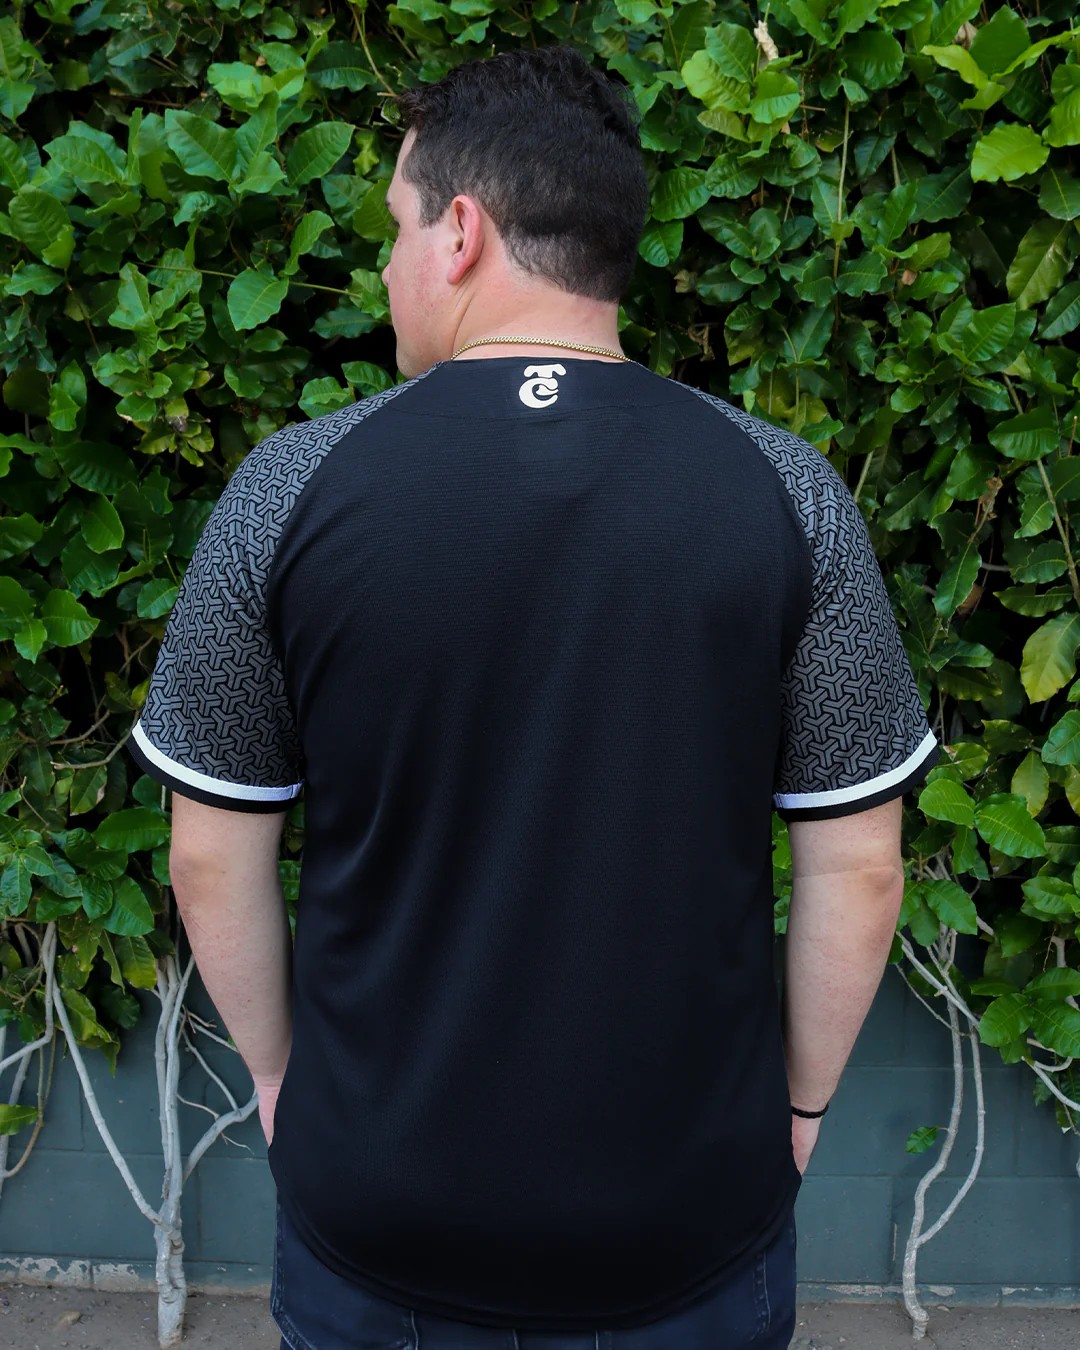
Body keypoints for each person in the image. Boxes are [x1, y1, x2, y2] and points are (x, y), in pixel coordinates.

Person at [127, 44, 940, 1350]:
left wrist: (284, 1086)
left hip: (379, 1221)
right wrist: (793, 1115)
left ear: (461, 233)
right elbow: (862, 868)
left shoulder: (289, 491)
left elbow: (209, 854)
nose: (384, 269)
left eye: (394, 227)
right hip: (690, 1225)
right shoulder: (785, 491)